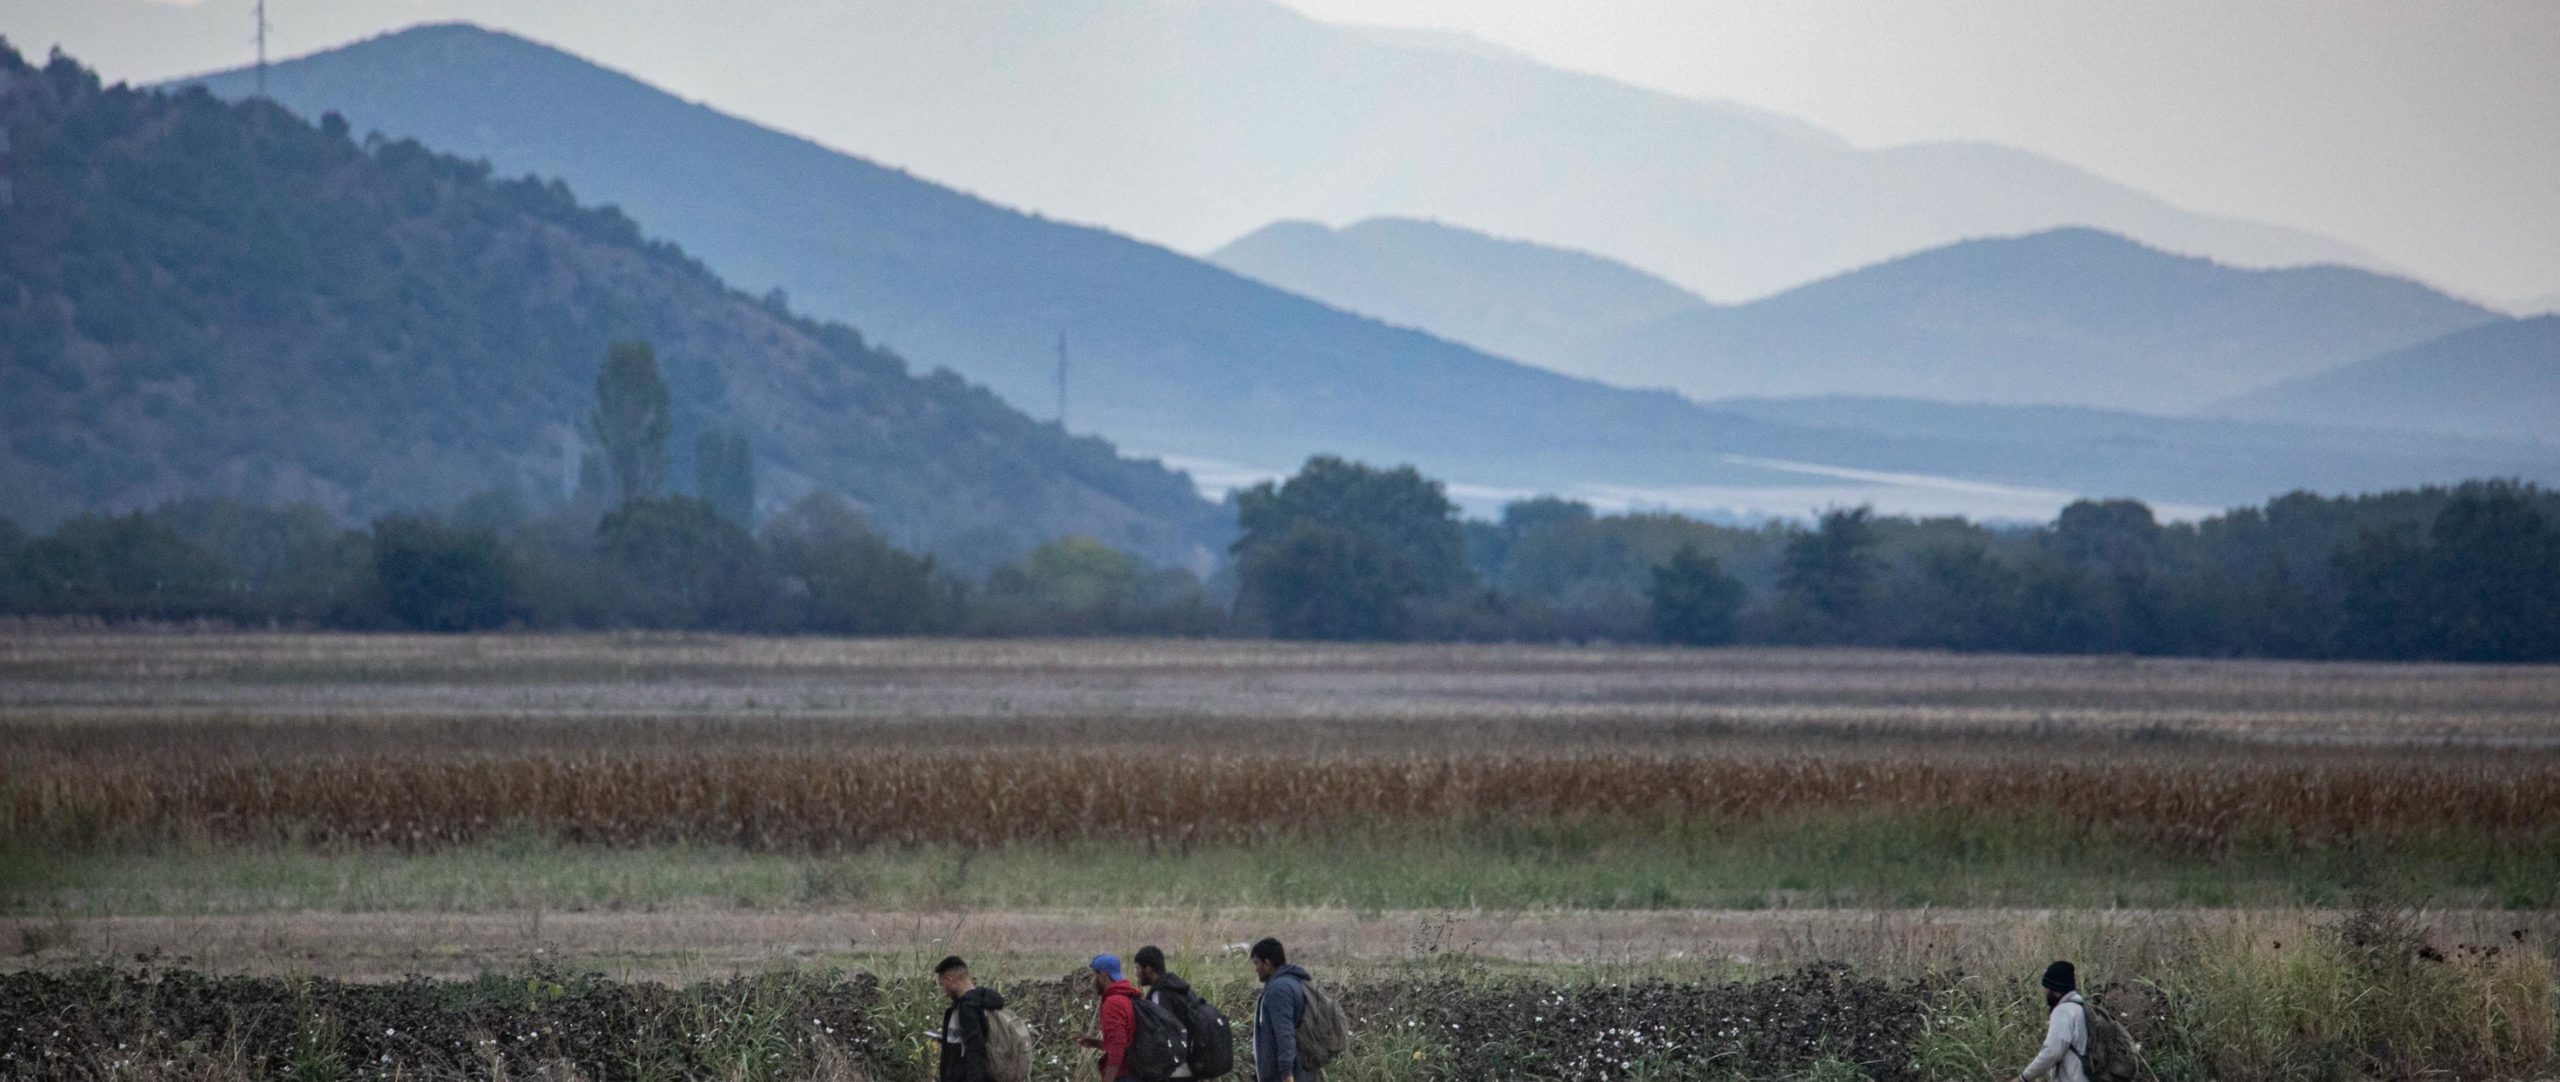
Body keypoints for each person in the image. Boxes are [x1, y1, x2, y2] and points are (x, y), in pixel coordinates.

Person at [1249, 937, 1321, 1082]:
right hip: (1304, 1069)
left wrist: (1286, 1073)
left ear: (1268, 963)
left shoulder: (1278, 990)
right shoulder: (1294, 982)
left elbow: (1284, 1034)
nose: (1255, 969)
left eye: (1257, 963)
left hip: (1288, 1074)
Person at [934, 955, 1008, 1082]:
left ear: (950, 980)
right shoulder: (983, 1001)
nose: (943, 990)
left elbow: (975, 1050)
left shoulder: (967, 1008)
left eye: (942, 984)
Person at [2015, 960, 2090, 1082]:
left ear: (2055, 990)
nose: (2045, 993)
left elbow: (2051, 1053)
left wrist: (2023, 1078)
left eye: (2047, 989)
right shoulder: (2083, 1008)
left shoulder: (2063, 1011)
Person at [1134, 945, 1195, 1079]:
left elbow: (1161, 1032)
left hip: (1175, 1068)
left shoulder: (1160, 995)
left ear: (1148, 970)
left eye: (1138, 968)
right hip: (1191, 1063)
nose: (1136, 974)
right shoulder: (1180, 988)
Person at [1078, 952, 1141, 1081]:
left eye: (1094, 976)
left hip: (1125, 1076)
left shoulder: (1113, 1003)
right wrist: (1095, 1043)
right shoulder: (1129, 996)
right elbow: (1126, 1042)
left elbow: (1117, 1048)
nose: (1092, 981)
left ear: (1103, 975)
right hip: (1137, 1072)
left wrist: (1108, 1079)